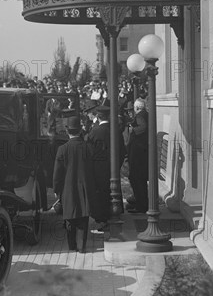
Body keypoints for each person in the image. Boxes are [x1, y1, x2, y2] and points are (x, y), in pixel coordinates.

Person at [53, 116, 94, 253]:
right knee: (84, 216)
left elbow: (58, 173)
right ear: (80, 131)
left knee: (70, 218)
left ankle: (72, 245)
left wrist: (57, 189)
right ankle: (82, 246)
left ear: (67, 131)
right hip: (84, 187)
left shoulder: (62, 149)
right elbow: (92, 170)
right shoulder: (88, 148)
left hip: (67, 188)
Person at [86, 102, 125, 233]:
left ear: (99, 116)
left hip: (98, 169)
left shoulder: (94, 132)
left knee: (101, 194)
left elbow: (89, 153)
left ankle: (103, 219)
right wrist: (117, 166)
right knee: (113, 192)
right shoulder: (116, 131)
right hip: (112, 168)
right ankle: (116, 213)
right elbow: (122, 151)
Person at [125, 98, 149, 213]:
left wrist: (132, 130)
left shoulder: (140, 116)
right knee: (138, 179)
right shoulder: (145, 115)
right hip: (141, 153)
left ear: (137, 108)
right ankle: (141, 203)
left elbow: (142, 127)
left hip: (138, 154)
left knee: (137, 179)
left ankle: (141, 205)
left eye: (134, 109)